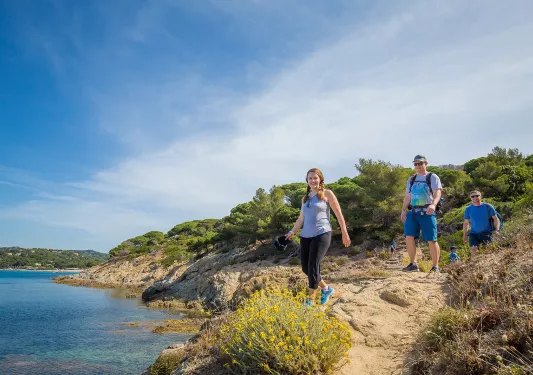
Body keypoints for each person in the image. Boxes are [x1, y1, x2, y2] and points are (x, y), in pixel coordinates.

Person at [286, 168, 351, 306]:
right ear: (307, 181)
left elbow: (338, 214)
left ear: (320, 179)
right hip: (305, 236)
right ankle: (326, 289)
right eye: (310, 178)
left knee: (313, 265)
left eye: (315, 178)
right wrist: (292, 232)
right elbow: (300, 219)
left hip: (322, 233)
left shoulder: (327, 194)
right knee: (306, 268)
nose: (313, 180)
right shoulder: (305, 198)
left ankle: (310, 300)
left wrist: (344, 232)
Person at [400, 155, 443, 273]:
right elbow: (408, 196)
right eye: (416, 164)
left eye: (420, 163)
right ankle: (413, 264)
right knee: (409, 237)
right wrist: (403, 210)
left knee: (431, 239)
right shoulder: (411, 179)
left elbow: (437, 192)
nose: (418, 166)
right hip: (413, 212)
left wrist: (433, 204)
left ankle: (435, 267)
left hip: (427, 211)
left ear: (426, 163)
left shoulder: (432, 177)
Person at [463, 190, 500, 256]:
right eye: (472, 196)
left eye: (477, 196)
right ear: (470, 198)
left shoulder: (488, 206)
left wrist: (497, 230)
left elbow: (496, 219)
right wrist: (465, 236)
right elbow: (466, 223)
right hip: (473, 234)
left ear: (481, 196)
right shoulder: (468, 209)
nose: (475, 197)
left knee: (488, 252)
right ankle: (475, 265)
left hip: (486, 233)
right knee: (474, 252)